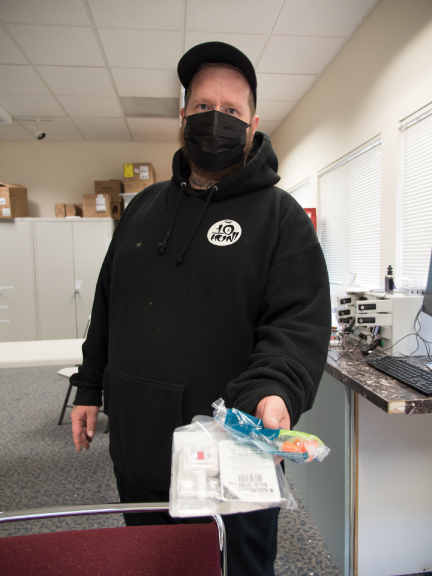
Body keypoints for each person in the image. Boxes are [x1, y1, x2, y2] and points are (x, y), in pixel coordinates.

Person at [71, 41, 331, 576]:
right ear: (182, 116)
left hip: (233, 462)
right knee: (152, 566)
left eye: (232, 111)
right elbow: (107, 306)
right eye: (204, 107)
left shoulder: (280, 218)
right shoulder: (143, 209)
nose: (217, 119)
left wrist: (275, 390)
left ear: (253, 125)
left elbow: (296, 325)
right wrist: (90, 387)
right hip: (140, 451)